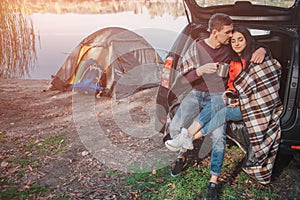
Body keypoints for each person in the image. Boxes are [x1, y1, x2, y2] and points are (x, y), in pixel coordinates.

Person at [165, 19, 267, 200]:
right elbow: (182, 79)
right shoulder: (197, 48)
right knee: (174, 127)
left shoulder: (230, 48)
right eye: (227, 32)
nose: (231, 36)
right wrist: (200, 71)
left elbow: (249, 44)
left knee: (218, 137)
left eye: (232, 33)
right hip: (196, 92)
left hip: (217, 95)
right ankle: (182, 155)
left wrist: (263, 49)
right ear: (214, 32)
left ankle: (213, 180)